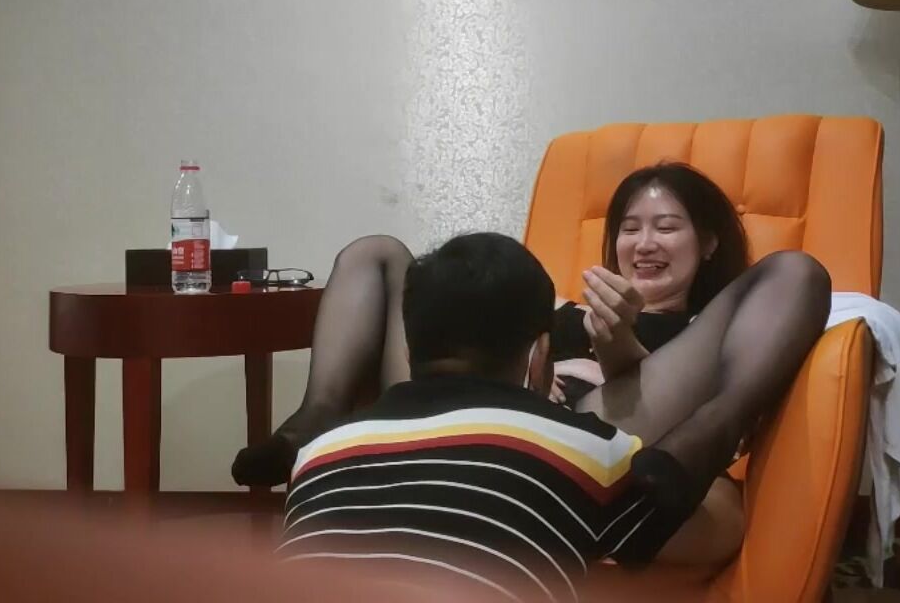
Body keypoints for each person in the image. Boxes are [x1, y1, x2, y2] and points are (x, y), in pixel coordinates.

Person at [234, 162, 832, 571]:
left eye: (667, 227)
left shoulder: (714, 329)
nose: (645, 242)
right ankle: (316, 414)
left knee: (796, 270)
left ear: (708, 243)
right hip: (466, 402)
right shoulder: (554, 306)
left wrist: (618, 346)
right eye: (629, 229)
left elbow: (645, 404)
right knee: (376, 251)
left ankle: (705, 438)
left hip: (589, 438)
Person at [277, 232, 713, 603]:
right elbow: (716, 533)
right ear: (540, 356)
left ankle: (312, 409)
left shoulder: (315, 457)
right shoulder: (587, 452)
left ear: (408, 352)